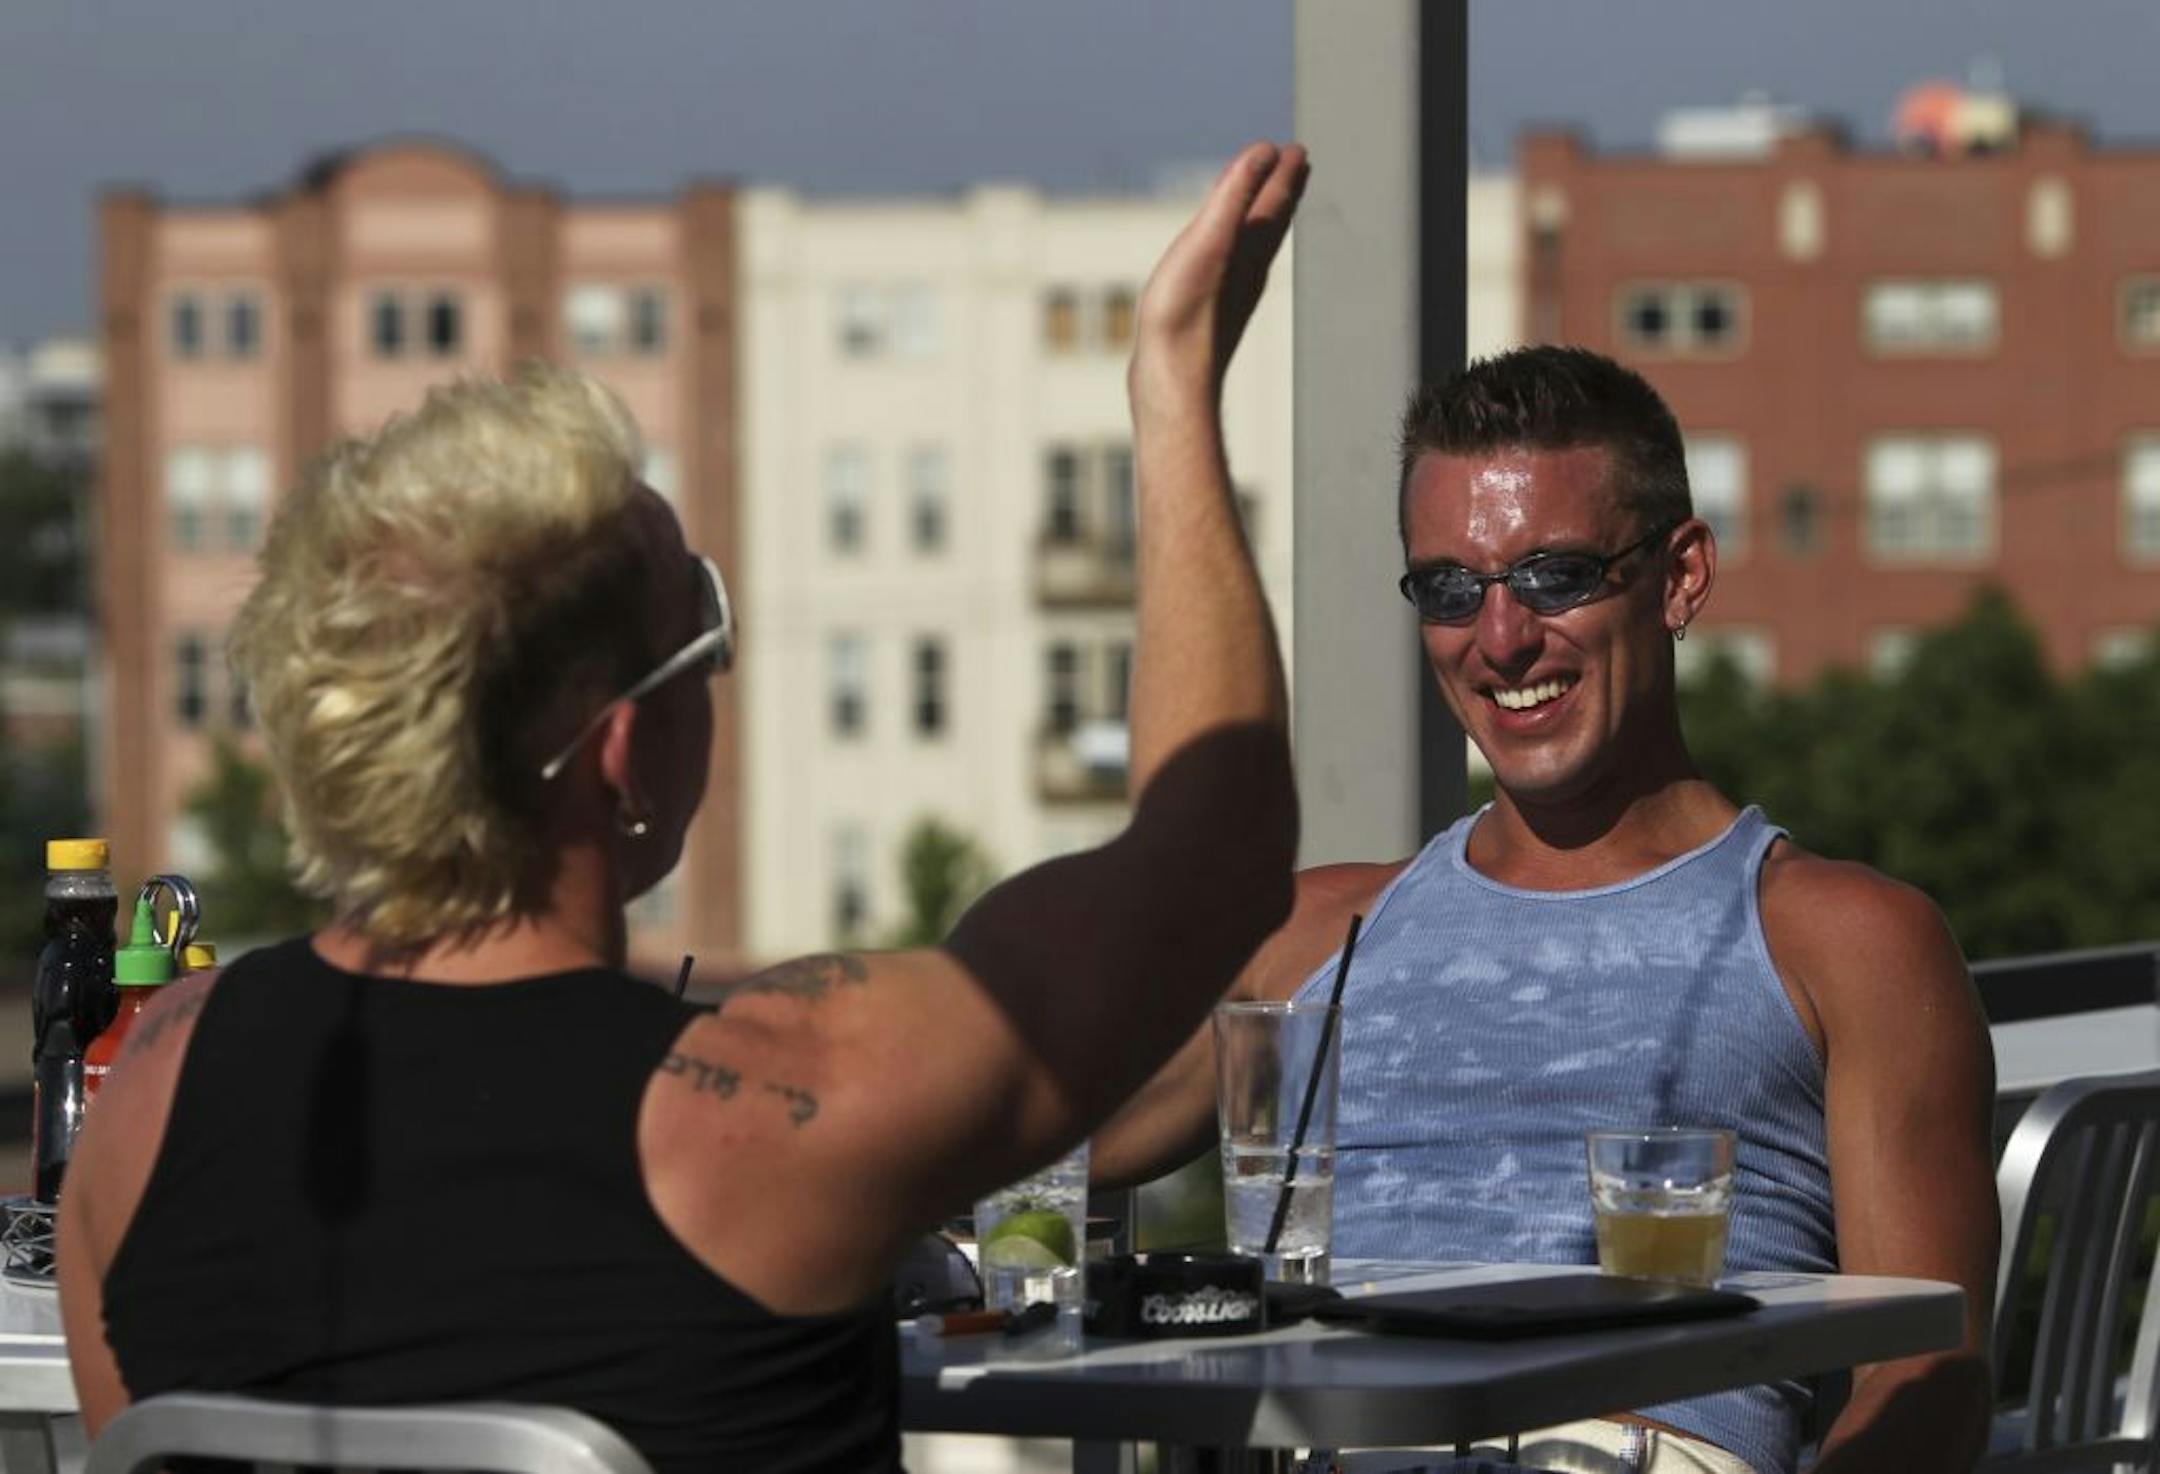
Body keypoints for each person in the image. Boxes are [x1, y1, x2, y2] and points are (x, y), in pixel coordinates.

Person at [56, 141, 1309, 1474]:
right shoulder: (786, 1102)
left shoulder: (149, 1094)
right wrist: (1175, 389)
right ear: (624, 745)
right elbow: (1214, 856)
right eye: (701, 633)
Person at [1094, 346, 1997, 1474]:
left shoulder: (1838, 939)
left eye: (1557, 576)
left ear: (1680, 576)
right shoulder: (1313, 936)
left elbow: (1929, 1372)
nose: (1502, 637)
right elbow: (1037, 1139)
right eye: (1449, 589)